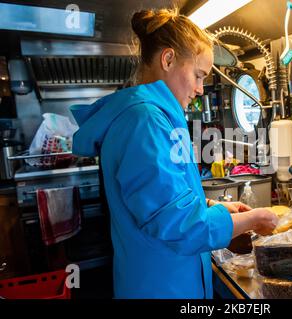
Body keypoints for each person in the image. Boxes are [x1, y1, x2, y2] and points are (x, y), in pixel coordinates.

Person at [70, 8, 278, 299]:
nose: (200, 88)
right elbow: (181, 227)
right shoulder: (145, 122)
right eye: (197, 75)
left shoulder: (152, 118)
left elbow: (165, 200)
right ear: (168, 60)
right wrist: (253, 220)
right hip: (162, 288)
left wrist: (210, 206)